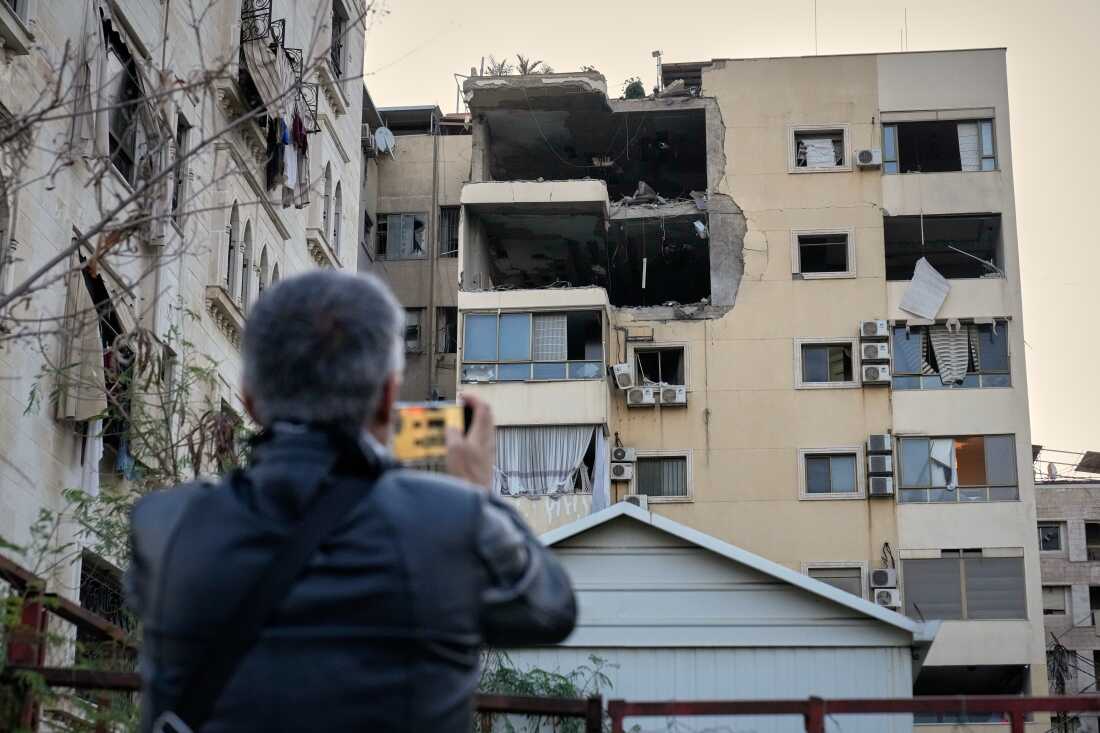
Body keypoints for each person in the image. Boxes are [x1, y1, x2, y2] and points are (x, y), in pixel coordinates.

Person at [126, 271, 576, 732]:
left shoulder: (162, 526)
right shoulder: (452, 522)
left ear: (249, 401)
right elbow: (551, 609)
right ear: (386, 398)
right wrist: (478, 494)